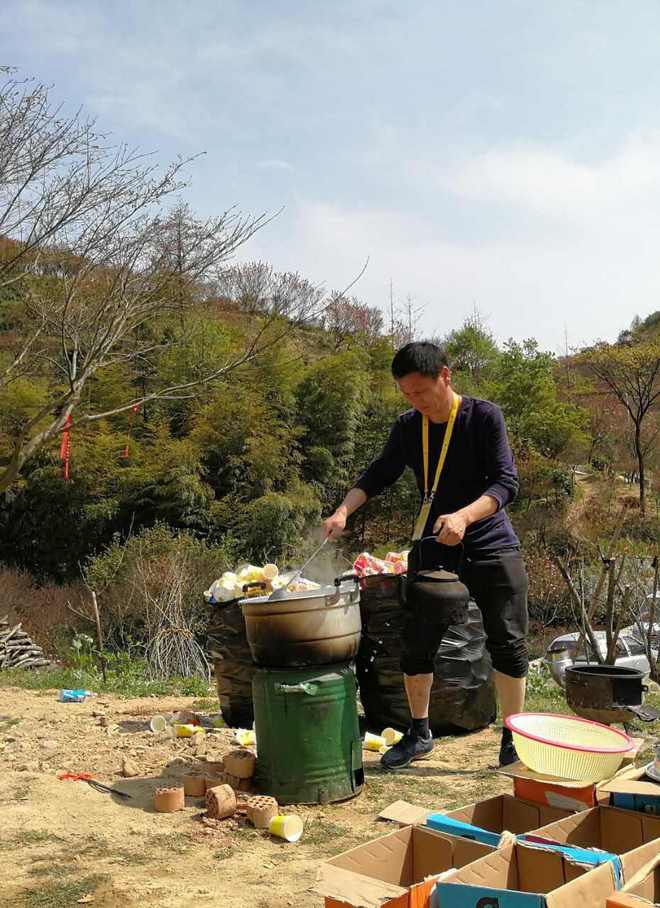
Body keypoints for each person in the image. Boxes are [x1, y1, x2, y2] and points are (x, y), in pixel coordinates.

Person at [322, 341, 528, 768]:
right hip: (435, 543)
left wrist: (465, 517)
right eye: (407, 394)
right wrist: (343, 509)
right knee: (415, 640)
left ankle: (515, 736)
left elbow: (506, 484)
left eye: (422, 392)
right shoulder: (408, 427)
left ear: (445, 377)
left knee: (507, 641)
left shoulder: (484, 417)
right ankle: (419, 733)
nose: (416, 402)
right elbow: (379, 473)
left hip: (488, 539)